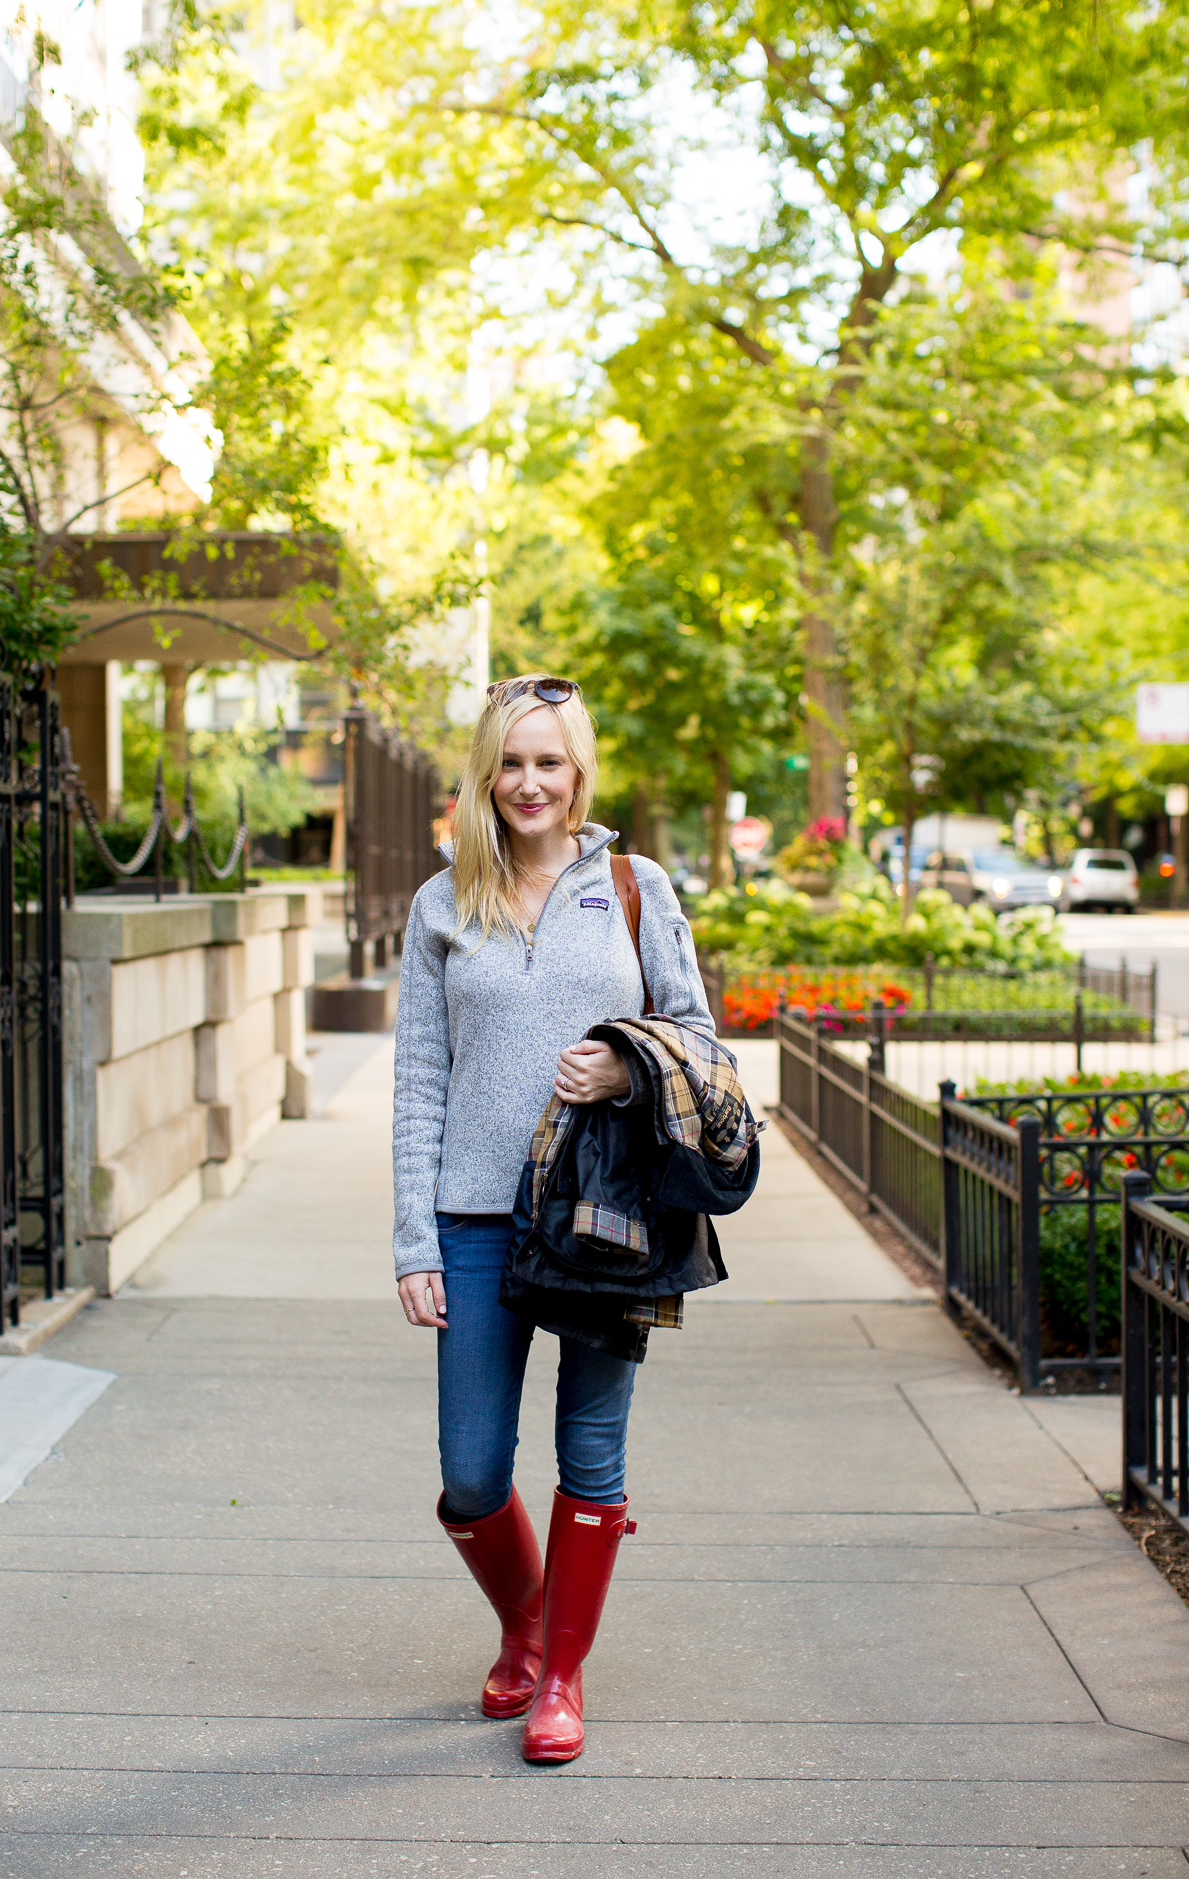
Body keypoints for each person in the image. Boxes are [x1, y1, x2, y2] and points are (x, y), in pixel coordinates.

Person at [391, 675, 715, 1762]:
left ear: (579, 774)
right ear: (486, 772)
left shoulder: (633, 885)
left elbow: (697, 1037)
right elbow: (420, 1083)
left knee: (591, 1444)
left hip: (602, 1215)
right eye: (511, 763)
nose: (529, 784)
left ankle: (560, 1678)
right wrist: (412, 1238)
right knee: (473, 1470)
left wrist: (624, 1067)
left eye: (550, 763)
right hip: (476, 1220)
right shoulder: (443, 904)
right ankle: (525, 1626)